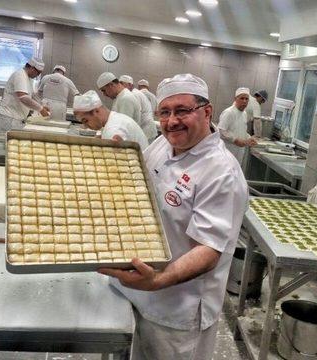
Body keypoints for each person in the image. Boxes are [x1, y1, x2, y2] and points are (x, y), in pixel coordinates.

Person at [99, 73, 248, 360]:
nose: (171, 121)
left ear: (207, 112)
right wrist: (115, 163)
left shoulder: (220, 172)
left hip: (177, 308)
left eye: (182, 111)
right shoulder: (162, 145)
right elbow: (140, 186)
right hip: (140, 290)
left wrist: (157, 280)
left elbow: (208, 249)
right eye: (164, 112)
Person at [72, 90, 148, 150]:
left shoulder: (113, 130)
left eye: (85, 121)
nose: (85, 127)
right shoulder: (114, 117)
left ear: (96, 111)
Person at [0, 57, 50, 132]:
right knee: (8, 141)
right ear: (32, 68)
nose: (38, 75)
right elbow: (23, 97)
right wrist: (41, 109)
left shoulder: (28, 78)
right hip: (10, 116)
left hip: (18, 116)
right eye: (38, 73)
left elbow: (31, 96)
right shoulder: (20, 74)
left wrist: (42, 105)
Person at [218, 87, 257, 165]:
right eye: (242, 98)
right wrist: (235, 140)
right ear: (235, 99)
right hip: (228, 150)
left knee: (235, 173)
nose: (244, 101)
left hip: (239, 152)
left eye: (246, 99)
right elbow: (221, 131)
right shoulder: (229, 112)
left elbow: (242, 130)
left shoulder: (244, 114)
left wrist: (249, 138)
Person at [119, 75, 157, 142]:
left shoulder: (134, 94)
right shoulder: (150, 95)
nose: (120, 86)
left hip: (145, 129)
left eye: (122, 84)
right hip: (147, 128)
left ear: (130, 85)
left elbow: (136, 115)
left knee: (144, 151)